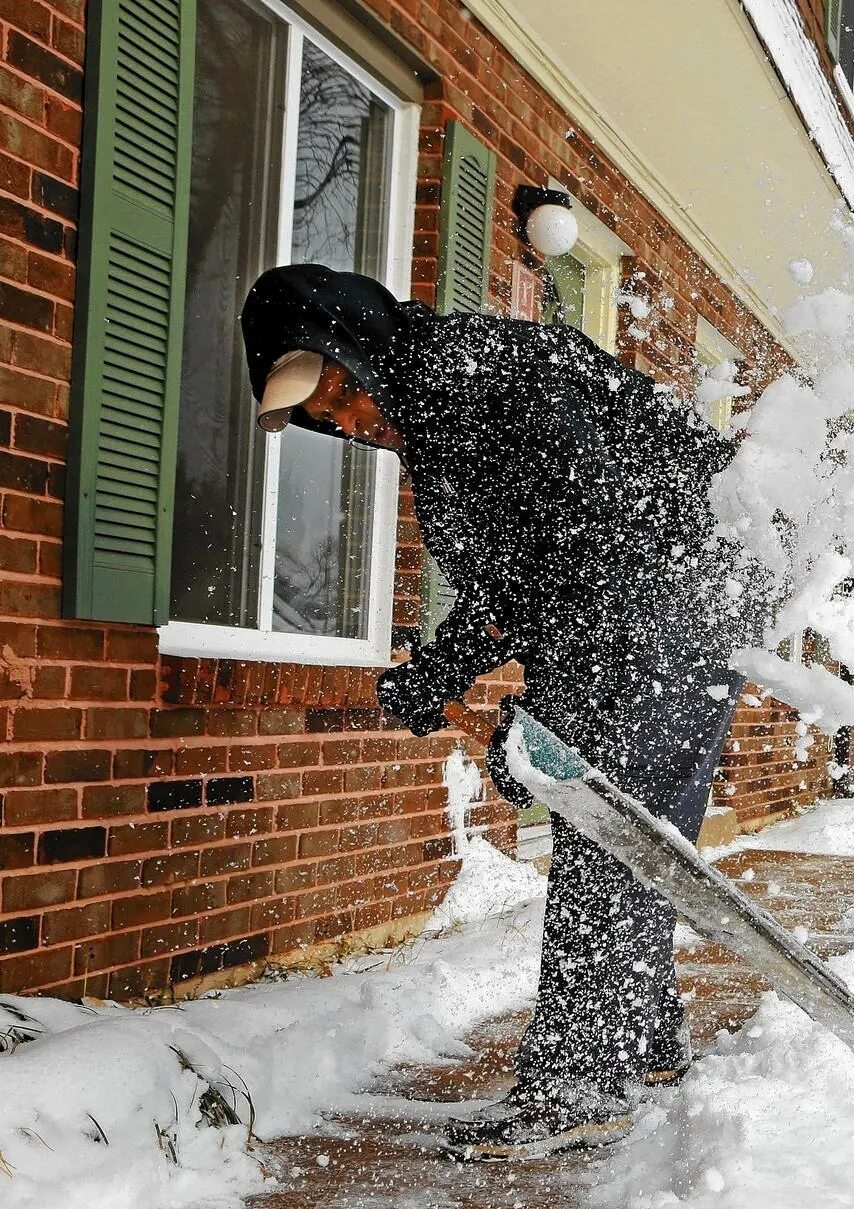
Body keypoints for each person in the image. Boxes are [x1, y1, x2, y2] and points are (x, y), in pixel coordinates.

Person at [241, 263, 753, 1161]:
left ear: (358, 347)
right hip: (680, 591)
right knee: (634, 831)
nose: (353, 425)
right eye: (332, 422)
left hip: (681, 581)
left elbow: (592, 546)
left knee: (606, 826)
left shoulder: (483, 378)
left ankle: (579, 1085)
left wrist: (546, 705)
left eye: (342, 394)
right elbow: (511, 584)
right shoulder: (440, 411)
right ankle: (643, 1037)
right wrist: (439, 667)